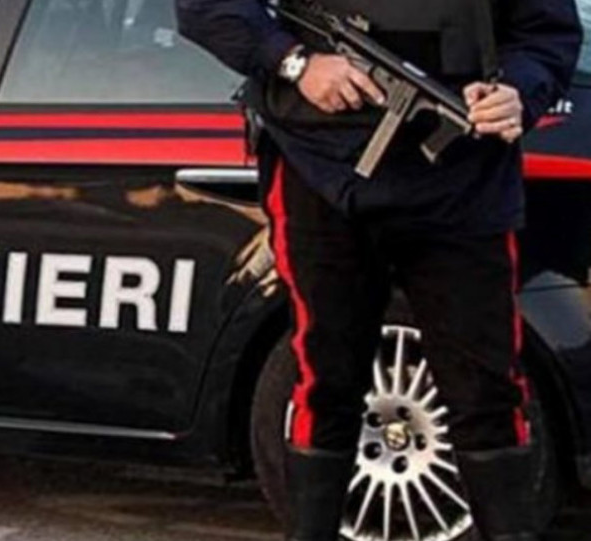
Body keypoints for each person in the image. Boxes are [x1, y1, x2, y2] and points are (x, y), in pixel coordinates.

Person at [176, 0, 582, 540]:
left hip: (463, 177)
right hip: (318, 170)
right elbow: (205, 8)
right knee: (326, 381)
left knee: (486, 390)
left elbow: (546, 33)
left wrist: (518, 92)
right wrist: (295, 62)